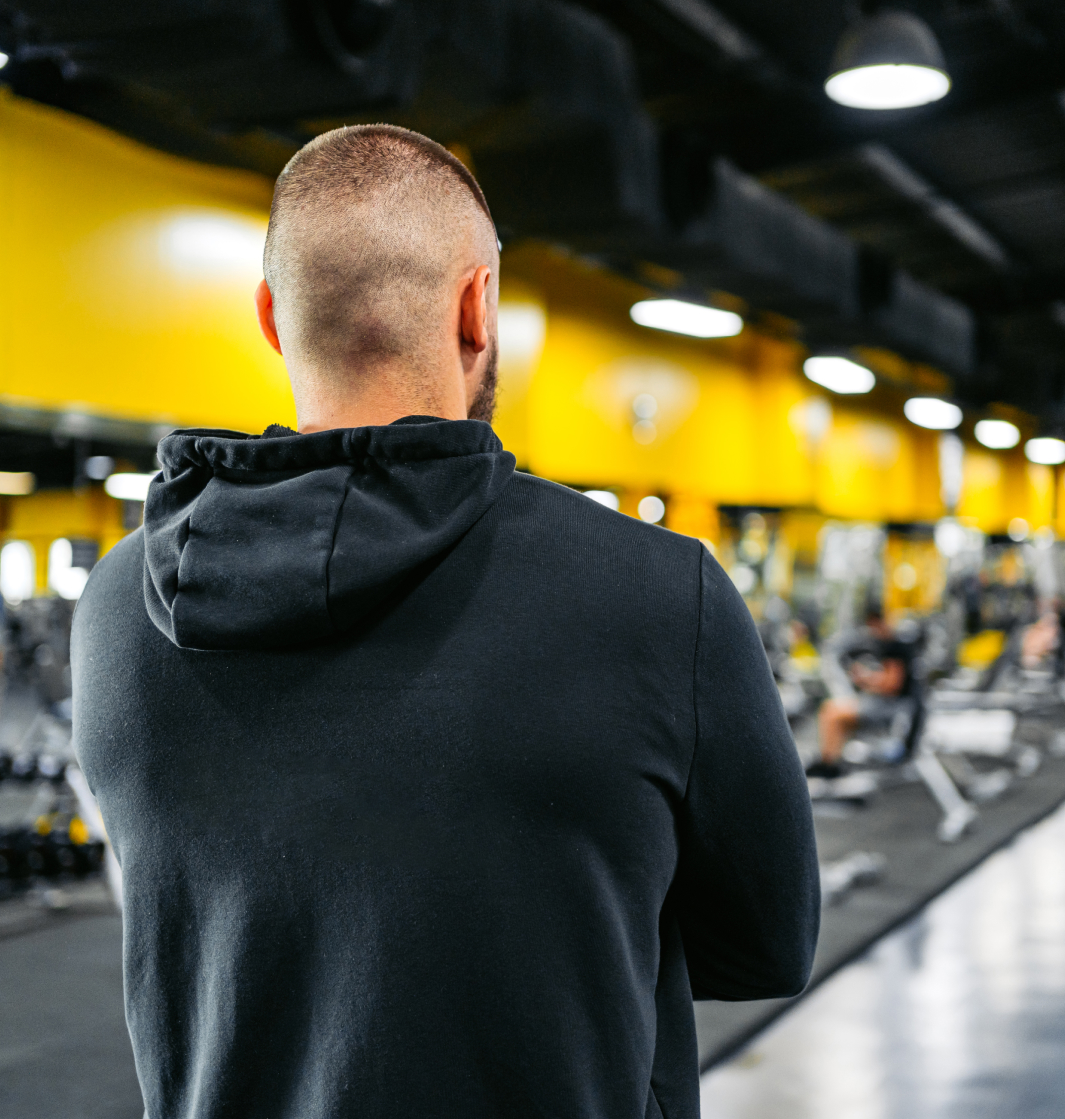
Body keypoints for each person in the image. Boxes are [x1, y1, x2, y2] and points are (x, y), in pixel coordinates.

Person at [72, 124, 818, 1119]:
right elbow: (766, 942)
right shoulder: (660, 593)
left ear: (271, 318)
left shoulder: (117, 608)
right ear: (478, 307)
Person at [809, 608, 920, 777]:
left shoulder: (896, 647)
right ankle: (831, 762)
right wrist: (865, 679)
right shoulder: (885, 645)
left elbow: (891, 685)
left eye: (872, 627)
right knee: (833, 713)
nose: (871, 632)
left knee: (832, 713)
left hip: (893, 708)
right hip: (887, 704)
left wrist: (867, 678)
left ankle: (829, 765)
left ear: (879, 623)